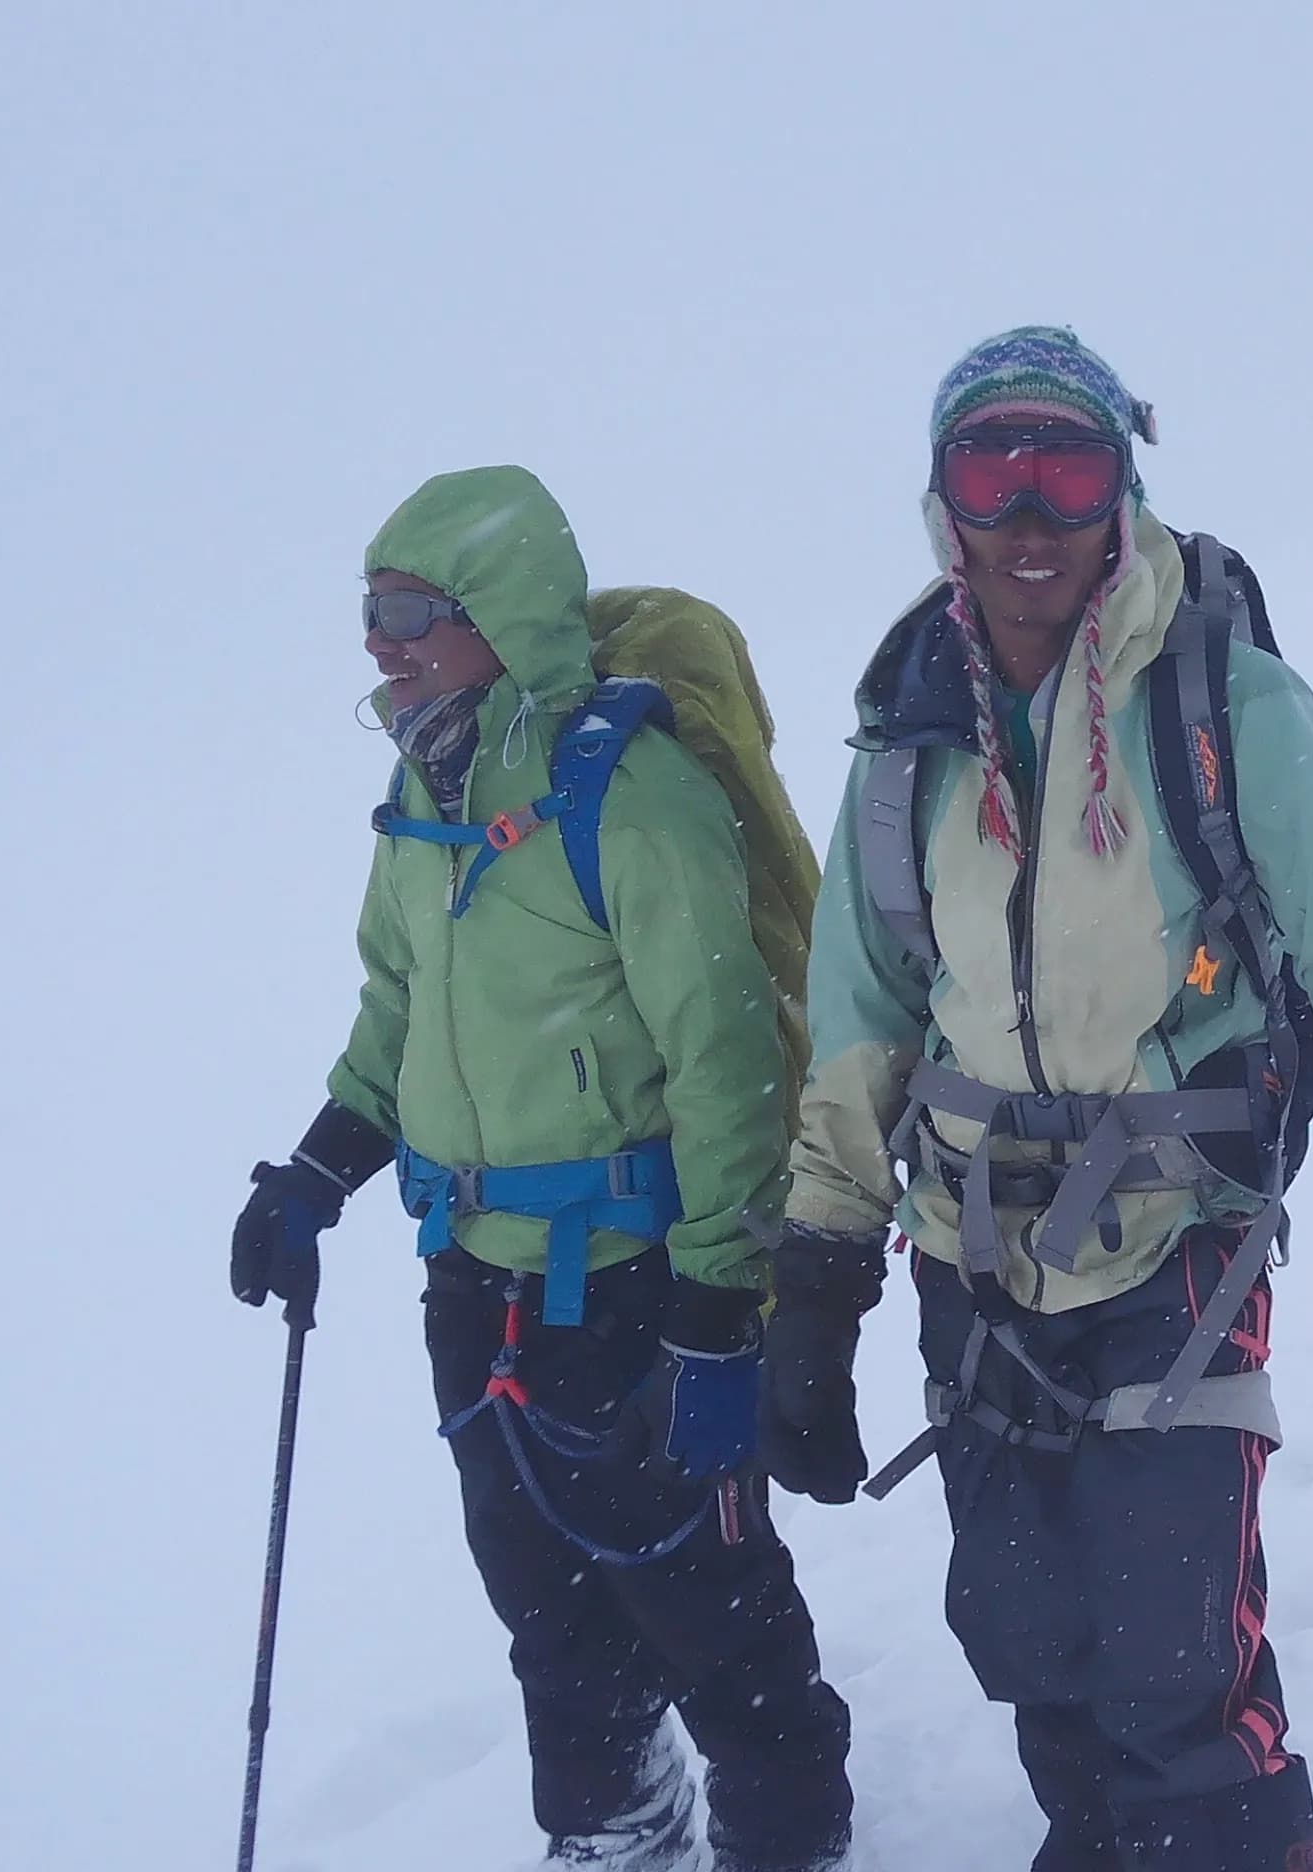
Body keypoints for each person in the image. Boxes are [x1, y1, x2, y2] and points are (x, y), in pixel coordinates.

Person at [756, 330, 1313, 1871]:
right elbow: (861, 1021)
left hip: (1182, 1235)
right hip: (973, 1249)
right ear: (943, 500)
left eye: (1071, 465)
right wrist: (817, 1274)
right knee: (1028, 1631)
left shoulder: (1226, 703)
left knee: (1173, 1652)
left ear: (1126, 490)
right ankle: (1105, 1842)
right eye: (994, 468)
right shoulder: (905, 736)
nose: (1032, 512)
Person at [227, 465, 854, 1871]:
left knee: (716, 1610)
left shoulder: (629, 797)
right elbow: (398, 1011)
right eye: (368, 613)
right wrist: (317, 1173)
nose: (379, 643)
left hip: (638, 1282)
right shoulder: (419, 788)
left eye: (408, 611)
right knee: (548, 1612)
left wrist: (717, 1303)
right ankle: (617, 1837)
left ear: (501, 615)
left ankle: (788, 1847)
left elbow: (727, 1062)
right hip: (474, 1283)